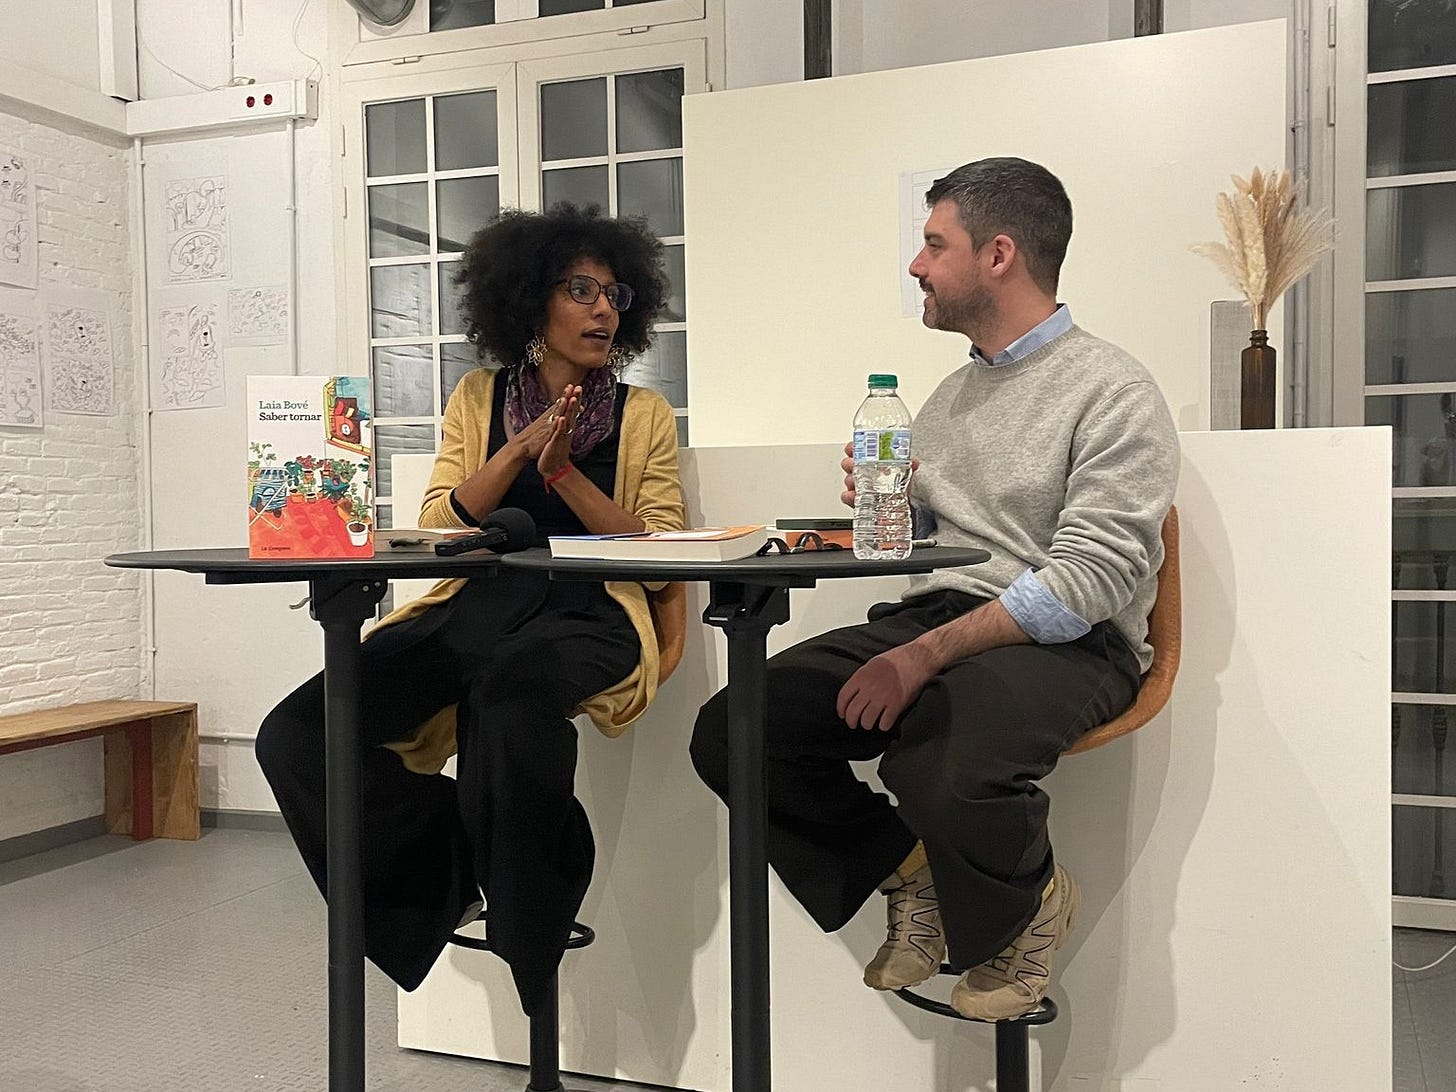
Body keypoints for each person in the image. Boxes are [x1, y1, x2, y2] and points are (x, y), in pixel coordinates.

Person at [690, 158, 1179, 1020]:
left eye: (931, 243)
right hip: (943, 610)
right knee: (735, 727)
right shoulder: (951, 393)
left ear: (998, 255)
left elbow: (1091, 577)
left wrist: (923, 655)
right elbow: (948, 549)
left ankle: (1027, 911)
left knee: (937, 757)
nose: (916, 264)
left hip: (1075, 639)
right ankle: (906, 871)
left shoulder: (1114, 388)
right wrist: (896, 513)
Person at [257, 203, 686, 1016]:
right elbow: (444, 521)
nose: (602, 309)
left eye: (614, 294)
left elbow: (655, 550)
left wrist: (564, 474)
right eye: (580, 289)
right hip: (476, 608)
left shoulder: (643, 414)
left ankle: (530, 935)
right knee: (296, 736)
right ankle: (450, 871)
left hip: (588, 612)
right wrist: (519, 452)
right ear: (532, 303)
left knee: (511, 704)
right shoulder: (478, 396)